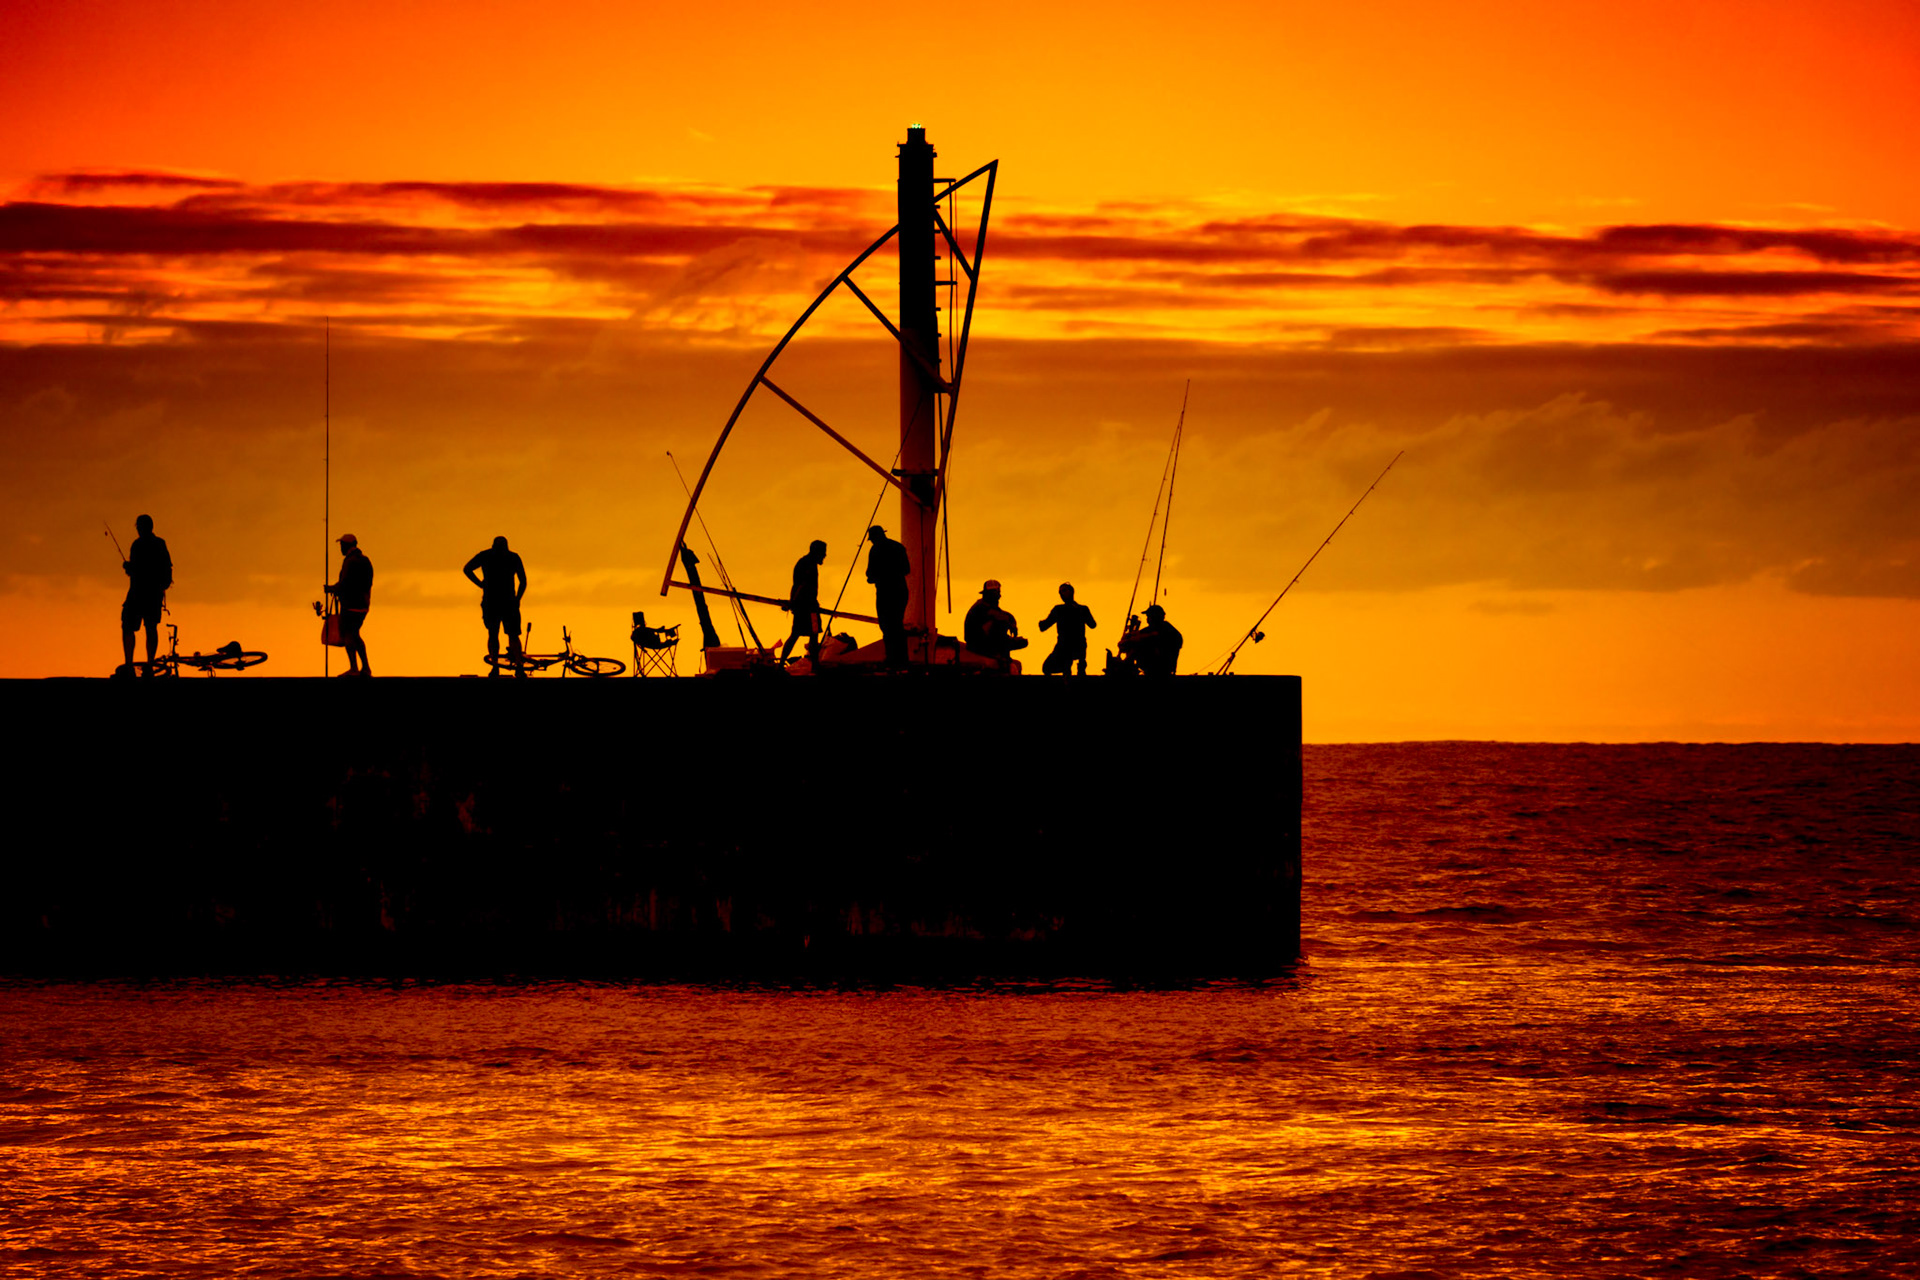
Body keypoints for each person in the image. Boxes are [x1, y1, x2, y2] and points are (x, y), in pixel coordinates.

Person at [463, 536, 529, 677]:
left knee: (496, 634)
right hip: (506, 602)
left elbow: (467, 569)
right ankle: (515, 666)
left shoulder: (486, 556)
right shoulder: (512, 557)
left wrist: (481, 584)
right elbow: (523, 581)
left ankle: (497, 666)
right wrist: (517, 599)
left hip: (494, 601)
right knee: (510, 635)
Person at [119, 514, 172, 676]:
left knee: (130, 626)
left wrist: (128, 567)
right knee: (150, 627)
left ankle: (130, 665)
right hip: (152, 594)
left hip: (138, 593)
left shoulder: (137, 545)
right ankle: (149, 663)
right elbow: (167, 569)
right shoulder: (159, 544)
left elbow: (136, 570)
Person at [325, 532, 374, 677]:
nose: (340, 548)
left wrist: (331, 589)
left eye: (341, 545)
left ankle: (354, 668)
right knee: (355, 634)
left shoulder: (349, 561)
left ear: (346, 545)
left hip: (350, 605)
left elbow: (345, 583)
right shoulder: (366, 561)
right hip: (363, 605)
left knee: (348, 635)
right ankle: (365, 668)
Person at [865, 525, 910, 667]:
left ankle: (892, 657)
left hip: (885, 593)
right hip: (900, 591)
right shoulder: (898, 547)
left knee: (886, 625)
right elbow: (906, 569)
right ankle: (902, 658)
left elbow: (870, 575)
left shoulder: (875, 550)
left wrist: (878, 577)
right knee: (897, 624)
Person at [963, 579, 1028, 669]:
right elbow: (999, 617)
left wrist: (1012, 623)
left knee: (1021, 642)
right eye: (995, 594)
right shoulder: (980, 608)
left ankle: (1002, 652)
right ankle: (1001, 654)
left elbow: (1004, 615)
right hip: (978, 644)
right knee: (1000, 624)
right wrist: (1011, 624)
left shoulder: (989, 607)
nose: (998, 596)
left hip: (983, 642)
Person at [781, 539, 828, 663]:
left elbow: (796, 585)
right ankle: (815, 665)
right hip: (808, 607)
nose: (825, 555)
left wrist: (793, 602)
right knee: (812, 634)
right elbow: (801, 585)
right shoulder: (808, 565)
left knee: (798, 634)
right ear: (816, 552)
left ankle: (781, 664)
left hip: (804, 605)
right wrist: (793, 602)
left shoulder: (806, 563)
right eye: (823, 552)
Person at [1038, 583, 1097, 676]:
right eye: (1060, 592)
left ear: (1072, 591)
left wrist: (1041, 623)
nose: (1061, 594)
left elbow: (1093, 625)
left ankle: (1074, 671)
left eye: (1064, 590)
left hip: (1068, 647)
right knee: (1048, 667)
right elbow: (1093, 625)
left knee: (1049, 668)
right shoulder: (1080, 609)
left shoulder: (1061, 610)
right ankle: (1072, 671)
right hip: (1073, 647)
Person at [1119, 602, 1182, 676]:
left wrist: (1133, 640)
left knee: (1140, 644)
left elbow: (1152, 636)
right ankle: (1125, 666)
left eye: (1149, 616)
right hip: (1152, 667)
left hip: (1162, 667)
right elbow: (1137, 635)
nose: (1147, 619)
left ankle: (1125, 665)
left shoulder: (1169, 630)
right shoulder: (1150, 629)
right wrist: (1128, 637)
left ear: (1156, 617)